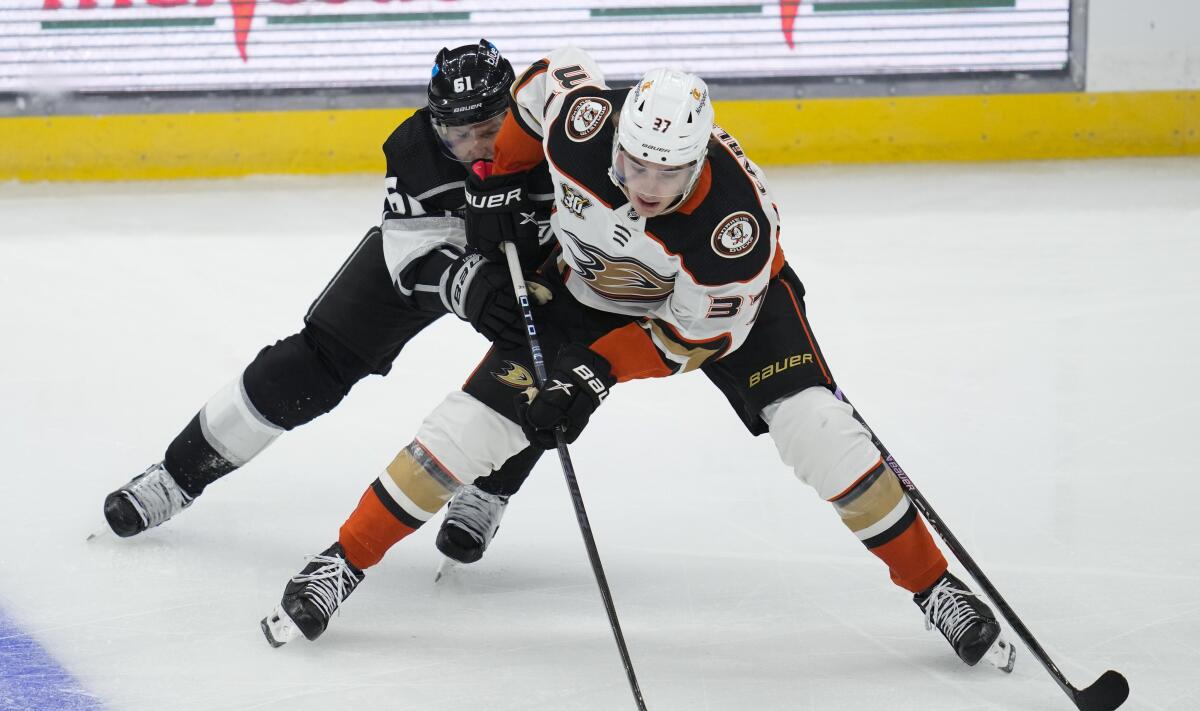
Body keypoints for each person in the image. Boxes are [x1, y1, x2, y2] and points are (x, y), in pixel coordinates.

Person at [260, 47, 1016, 676]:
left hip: (725, 321)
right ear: (617, 135)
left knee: (823, 433)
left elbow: (685, 343)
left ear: (699, 161)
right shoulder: (587, 122)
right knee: (466, 428)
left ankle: (934, 587)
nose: (645, 187)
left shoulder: (735, 235)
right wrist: (499, 180)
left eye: (666, 175)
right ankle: (342, 563)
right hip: (588, 289)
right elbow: (532, 94)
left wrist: (591, 375)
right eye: (634, 165)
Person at [100, 40, 551, 565]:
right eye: (458, 134)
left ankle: (488, 490)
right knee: (313, 362)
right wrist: (464, 284)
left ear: (515, 112)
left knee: (546, 366)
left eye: (490, 131)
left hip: (534, 258)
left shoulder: (557, 140)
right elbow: (409, 253)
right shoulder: (413, 151)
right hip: (441, 249)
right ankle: (175, 476)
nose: (476, 148)